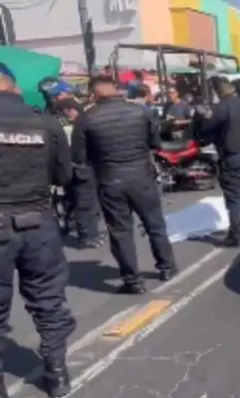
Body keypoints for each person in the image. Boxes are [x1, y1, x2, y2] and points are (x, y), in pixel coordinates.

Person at [0, 63, 76, 398]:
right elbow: (63, 176)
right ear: (13, 86)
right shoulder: (46, 123)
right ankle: (57, 373)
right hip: (39, 221)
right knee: (49, 302)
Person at [71, 76, 178, 294]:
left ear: (94, 93)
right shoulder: (141, 112)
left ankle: (133, 280)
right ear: (116, 89)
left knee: (120, 231)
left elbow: (80, 157)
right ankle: (167, 267)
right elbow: (155, 143)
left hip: (109, 180)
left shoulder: (86, 118)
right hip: (142, 176)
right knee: (155, 224)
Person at [201, 79, 240, 247]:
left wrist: (203, 118)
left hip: (232, 156)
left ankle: (235, 235)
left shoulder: (221, 108)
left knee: (234, 198)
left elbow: (206, 129)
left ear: (218, 93)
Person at [54, 97, 104, 248]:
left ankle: (87, 233)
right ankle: (87, 236)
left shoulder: (75, 124)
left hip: (75, 167)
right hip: (80, 168)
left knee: (81, 202)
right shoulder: (80, 123)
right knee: (85, 203)